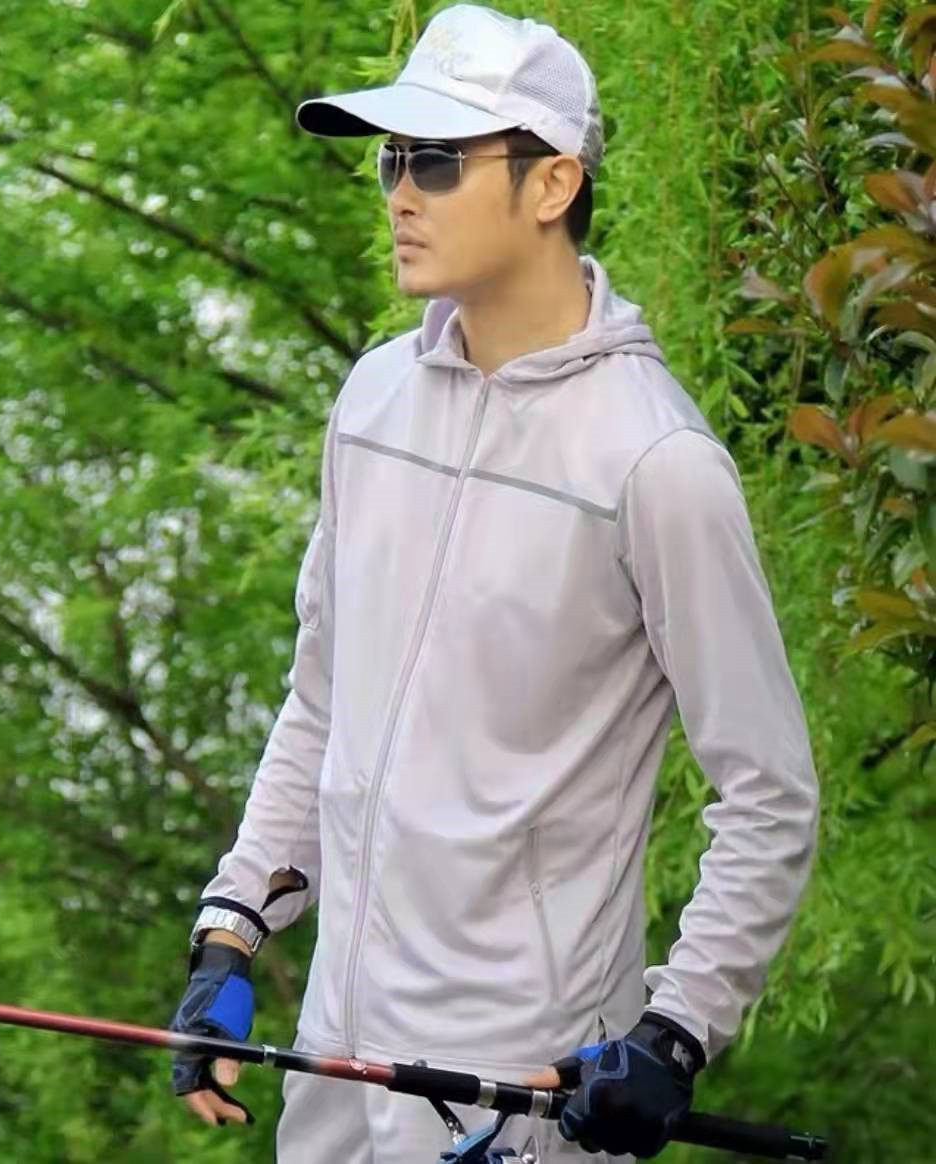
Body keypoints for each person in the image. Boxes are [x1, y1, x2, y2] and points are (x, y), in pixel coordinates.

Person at [168, 5, 819, 1161]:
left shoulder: (657, 463)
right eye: (390, 161)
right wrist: (233, 924)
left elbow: (769, 794)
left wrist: (674, 1033)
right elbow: (322, 702)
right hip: (335, 1058)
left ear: (553, 182)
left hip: (519, 1082)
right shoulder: (372, 402)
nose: (398, 195)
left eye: (434, 162)